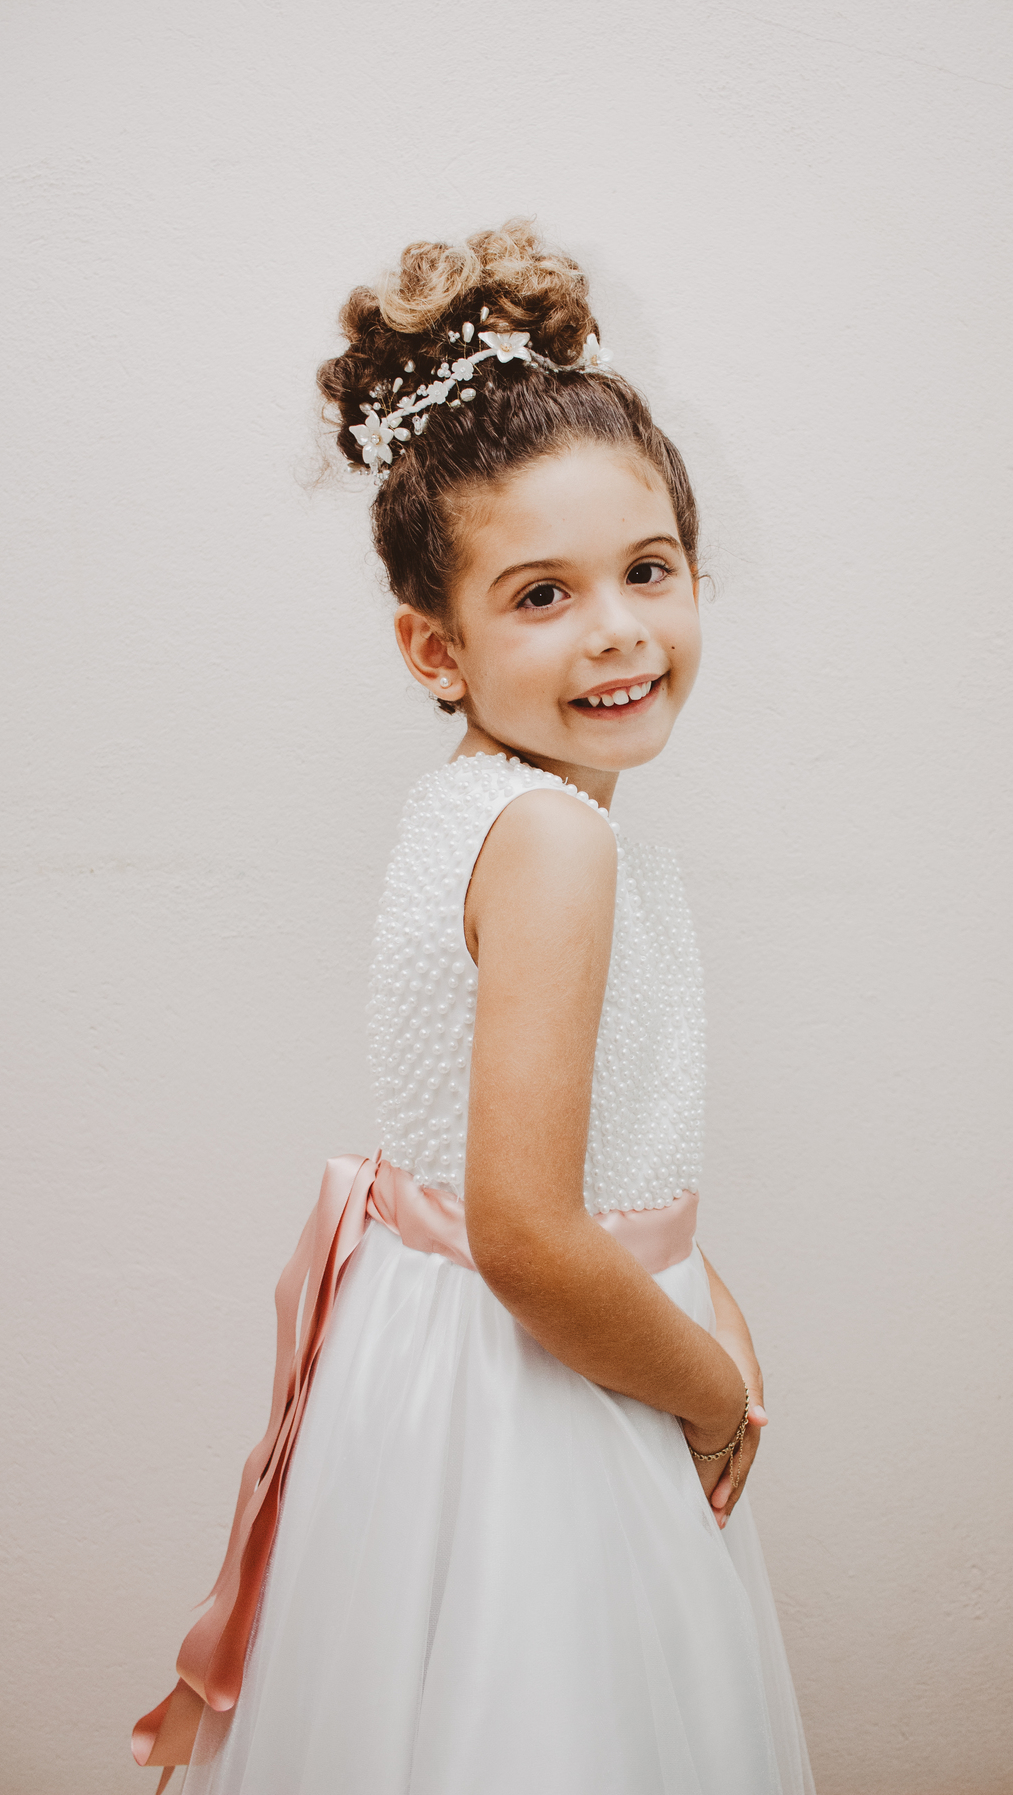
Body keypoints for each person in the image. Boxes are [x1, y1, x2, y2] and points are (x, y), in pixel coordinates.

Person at [135, 219, 814, 1795]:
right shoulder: (557, 841)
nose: (618, 630)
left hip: (425, 1363)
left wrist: (701, 1290)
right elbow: (526, 1229)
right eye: (542, 596)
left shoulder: (474, 805)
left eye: (648, 570)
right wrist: (716, 1395)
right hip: (533, 1394)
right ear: (434, 647)